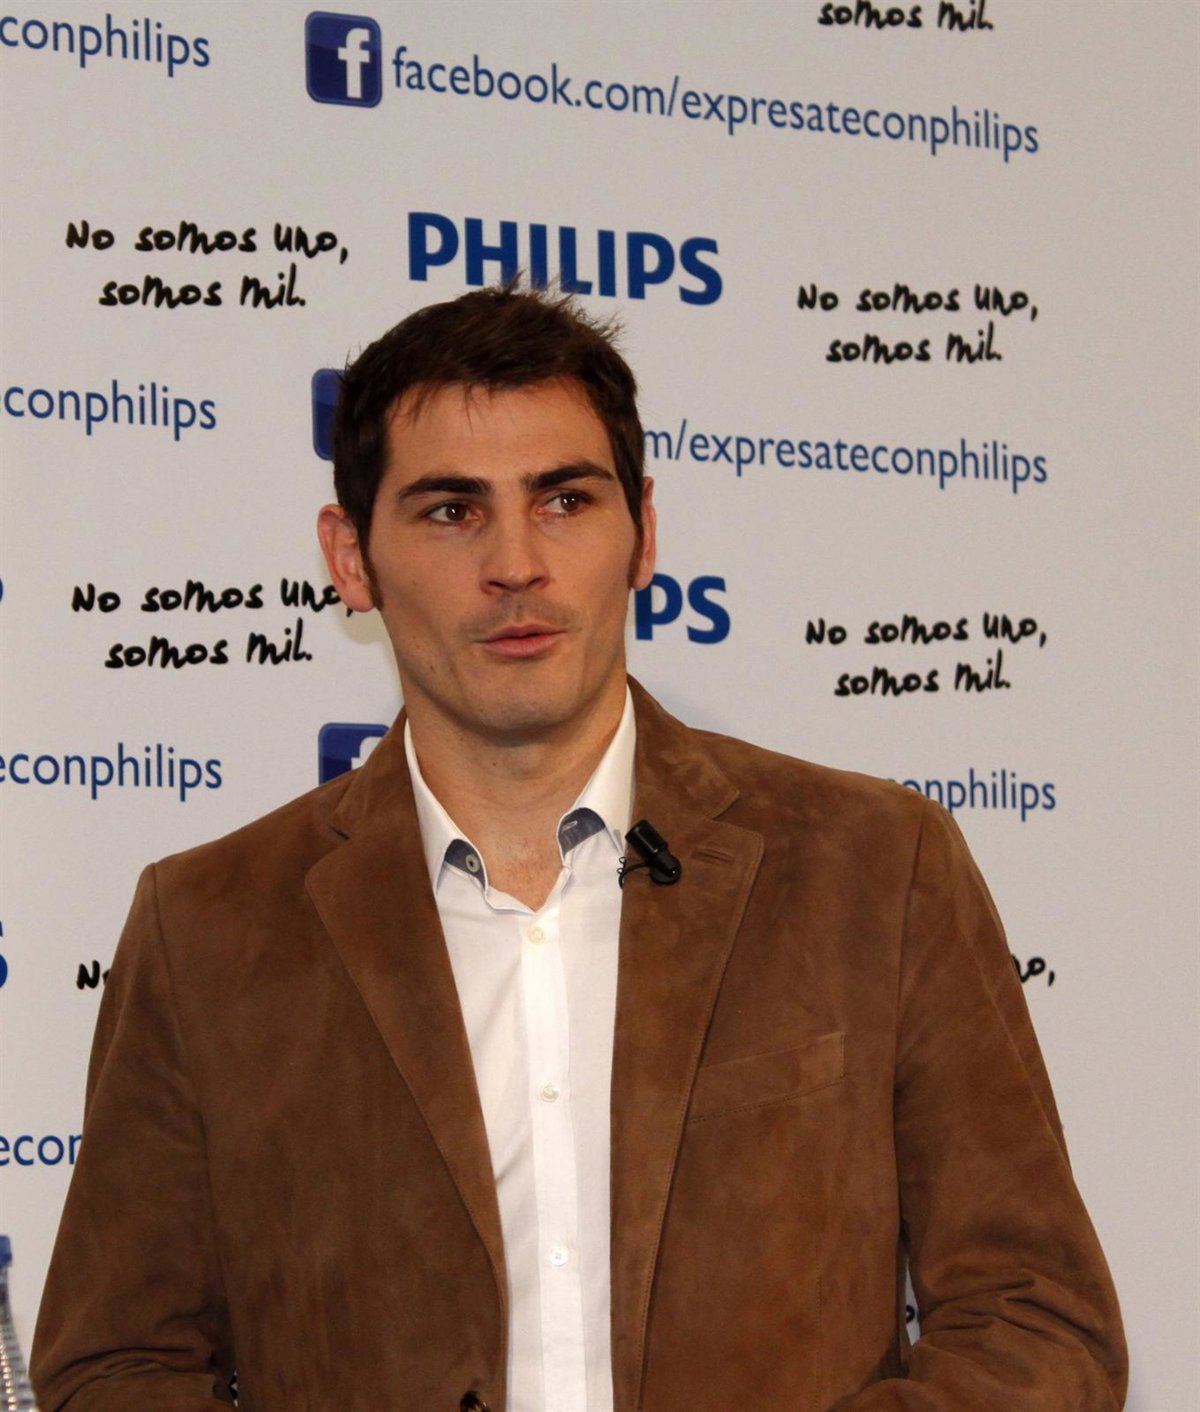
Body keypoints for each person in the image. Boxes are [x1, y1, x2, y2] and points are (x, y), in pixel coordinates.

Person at [32, 286, 1127, 1412]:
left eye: (564, 500)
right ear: (351, 558)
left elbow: (1037, 1322)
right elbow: (115, 1366)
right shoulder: (209, 926)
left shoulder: (873, 867)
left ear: (642, 531)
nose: (516, 562)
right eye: (451, 511)